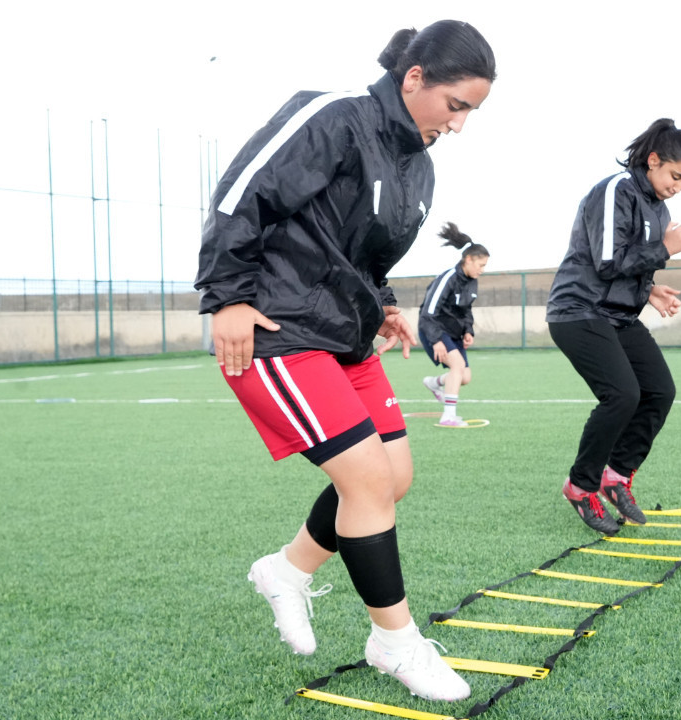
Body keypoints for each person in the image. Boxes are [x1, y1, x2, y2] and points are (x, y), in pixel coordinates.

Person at [194, 21, 495, 702]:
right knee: (364, 478)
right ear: (414, 77)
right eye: (457, 106)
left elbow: (357, 248)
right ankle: (394, 641)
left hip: (345, 334)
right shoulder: (334, 114)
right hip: (276, 326)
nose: (461, 124)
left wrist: (383, 302)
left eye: (471, 111)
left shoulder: (418, 161)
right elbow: (245, 191)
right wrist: (226, 297)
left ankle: (289, 570)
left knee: (394, 476)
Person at [545, 118, 681, 536]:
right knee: (621, 394)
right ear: (653, 160)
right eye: (675, 176)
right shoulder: (617, 189)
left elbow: (633, 261)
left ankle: (615, 475)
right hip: (578, 310)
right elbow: (608, 260)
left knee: (659, 391)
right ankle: (580, 486)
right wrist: (666, 248)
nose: (679, 187)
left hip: (617, 314)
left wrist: (650, 289)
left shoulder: (658, 206)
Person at [418, 222, 489, 427]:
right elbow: (427, 313)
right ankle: (448, 416)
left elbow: (466, 309)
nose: (482, 270)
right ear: (468, 260)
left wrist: (468, 330)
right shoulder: (448, 278)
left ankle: (433, 383)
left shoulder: (472, 281)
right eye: (481, 265)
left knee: (464, 376)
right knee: (457, 366)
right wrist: (436, 340)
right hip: (435, 331)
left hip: (454, 334)